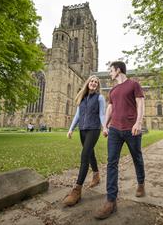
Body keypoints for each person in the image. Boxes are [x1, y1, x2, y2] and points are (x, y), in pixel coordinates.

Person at [95, 61, 146, 219]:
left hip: (131, 128)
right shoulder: (113, 90)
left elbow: (140, 103)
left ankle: (141, 183)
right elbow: (110, 108)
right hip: (115, 130)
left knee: (137, 157)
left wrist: (138, 122)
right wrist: (105, 125)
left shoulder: (133, 84)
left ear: (118, 70)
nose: (109, 73)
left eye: (111, 70)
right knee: (111, 163)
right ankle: (111, 200)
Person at [62, 75, 106, 207]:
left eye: (96, 82)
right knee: (90, 152)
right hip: (82, 130)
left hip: (94, 129)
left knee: (84, 155)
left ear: (98, 85)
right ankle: (96, 175)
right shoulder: (82, 97)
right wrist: (70, 129)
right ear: (88, 83)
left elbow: (102, 114)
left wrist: (104, 127)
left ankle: (77, 190)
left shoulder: (100, 98)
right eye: (92, 81)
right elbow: (77, 115)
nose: (93, 83)